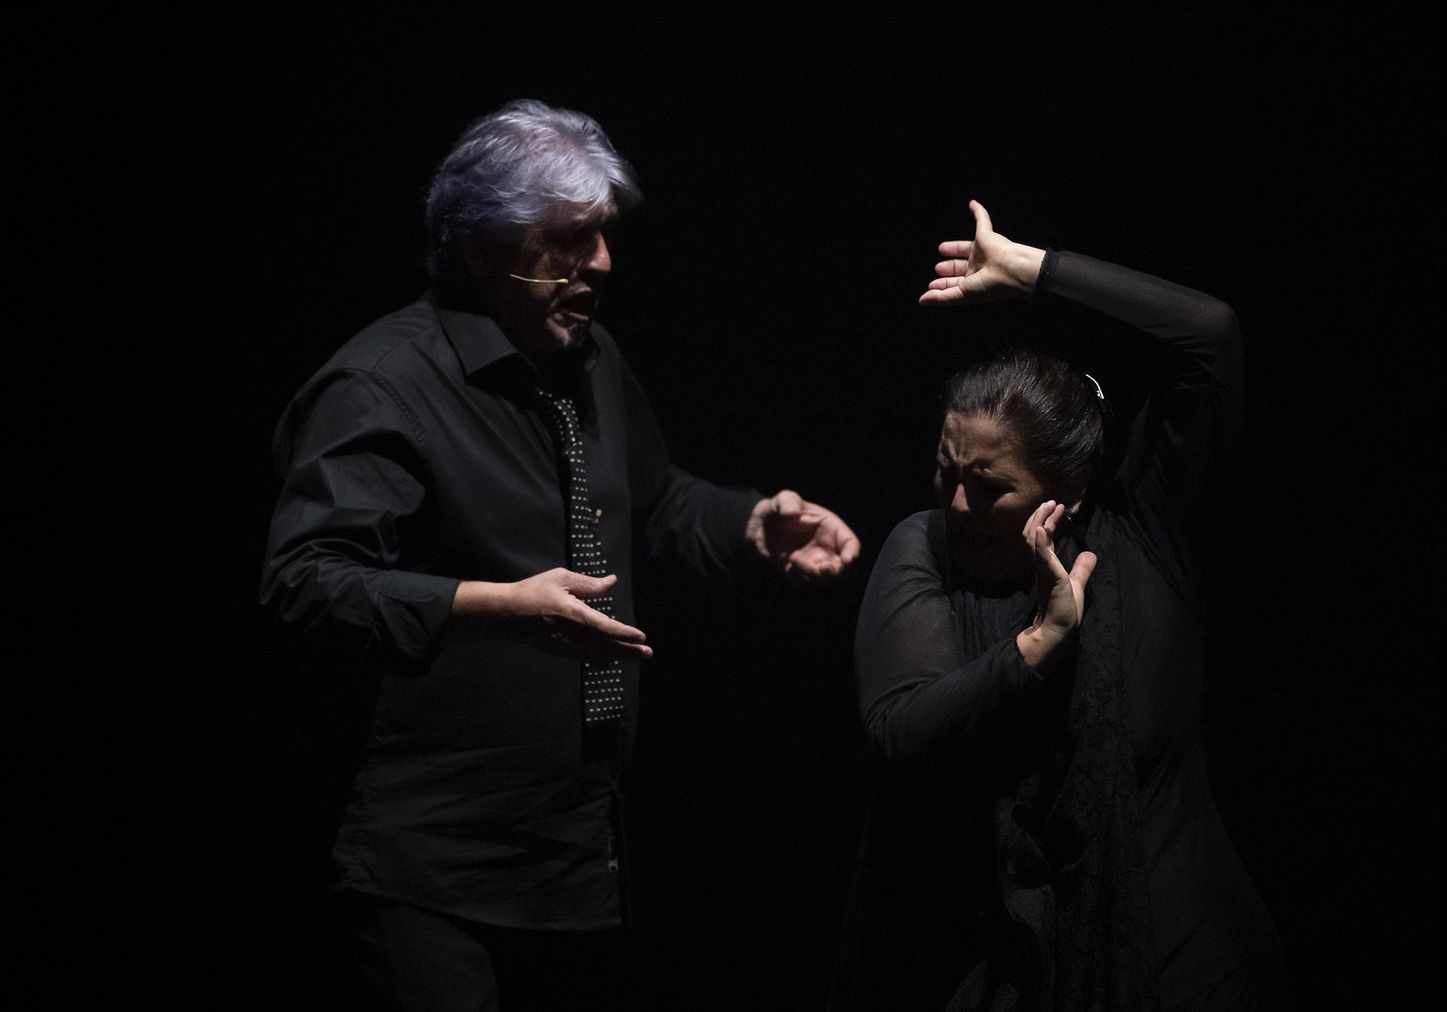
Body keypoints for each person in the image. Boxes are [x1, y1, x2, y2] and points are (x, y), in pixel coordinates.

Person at [260, 99, 859, 1008]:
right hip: (429, 873)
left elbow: (649, 500)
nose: (603, 263)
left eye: (605, 235)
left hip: (578, 859)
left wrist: (749, 526)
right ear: (478, 245)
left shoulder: (587, 358)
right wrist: (499, 606)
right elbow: (305, 583)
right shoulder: (380, 385)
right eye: (568, 239)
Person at [835, 201, 1283, 1010]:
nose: (959, 502)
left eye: (990, 485)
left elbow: (1209, 335)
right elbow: (901, 732)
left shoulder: (1143, 536)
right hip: (1009, 967)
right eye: (947, 471)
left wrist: (1034, 270)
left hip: (1188, 963)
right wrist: (1035, 647)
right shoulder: (924, 548)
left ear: (1069, 490)